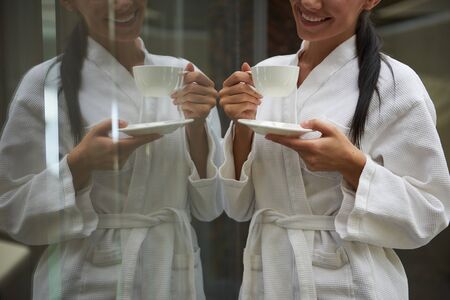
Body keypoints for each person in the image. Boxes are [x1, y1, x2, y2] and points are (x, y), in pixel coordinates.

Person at [219, 0, 450, 299]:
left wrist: (352, 165)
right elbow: (237, 207)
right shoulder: (266, 74)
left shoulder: (396, 84)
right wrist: (242, 126)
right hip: (267, 277)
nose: (309, 3)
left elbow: (429, 213)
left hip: (350, 283)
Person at [0, 0, 223, 299]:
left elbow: (211, 206)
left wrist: (197, 126)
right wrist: (80, 164)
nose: (122, 3)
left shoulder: (182, 74)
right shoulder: (44, 84)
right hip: (87, 280)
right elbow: (12, 212)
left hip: (174, 273)